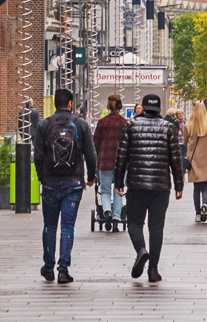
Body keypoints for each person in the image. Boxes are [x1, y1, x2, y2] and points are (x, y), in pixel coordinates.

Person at [115, 94, 184, 283]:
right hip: (161, 185)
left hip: (137, 184)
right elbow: (175, 159)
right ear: (159, 108)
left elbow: (121, 156)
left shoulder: (131, 126)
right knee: (156, 227)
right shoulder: (168, 127)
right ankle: (153, 269)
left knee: (134, 223)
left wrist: (118, 181)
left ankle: (140, 250)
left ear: (143, 107)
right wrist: (179, 184)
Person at [32, 88, 98, 284]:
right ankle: (63, 268)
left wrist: (42, 177)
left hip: (51, 182)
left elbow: (37, 156)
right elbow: (90, 154)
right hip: (73, 182)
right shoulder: (81, 124)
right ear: (70, 104)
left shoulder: (44, 125)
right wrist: (91, 177)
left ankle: (48, 266)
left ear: (55, 103)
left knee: (49, 226)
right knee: (68, 227)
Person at [94, 94, 129, 226]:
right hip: (121, 162)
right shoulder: (125, 123)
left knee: (105, 190)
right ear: (120, 106)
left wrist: (99, 157)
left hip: (105, 161)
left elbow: (95, 143)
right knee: (119, 189)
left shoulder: (102, 122)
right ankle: (116, 217)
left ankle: (107, 211)